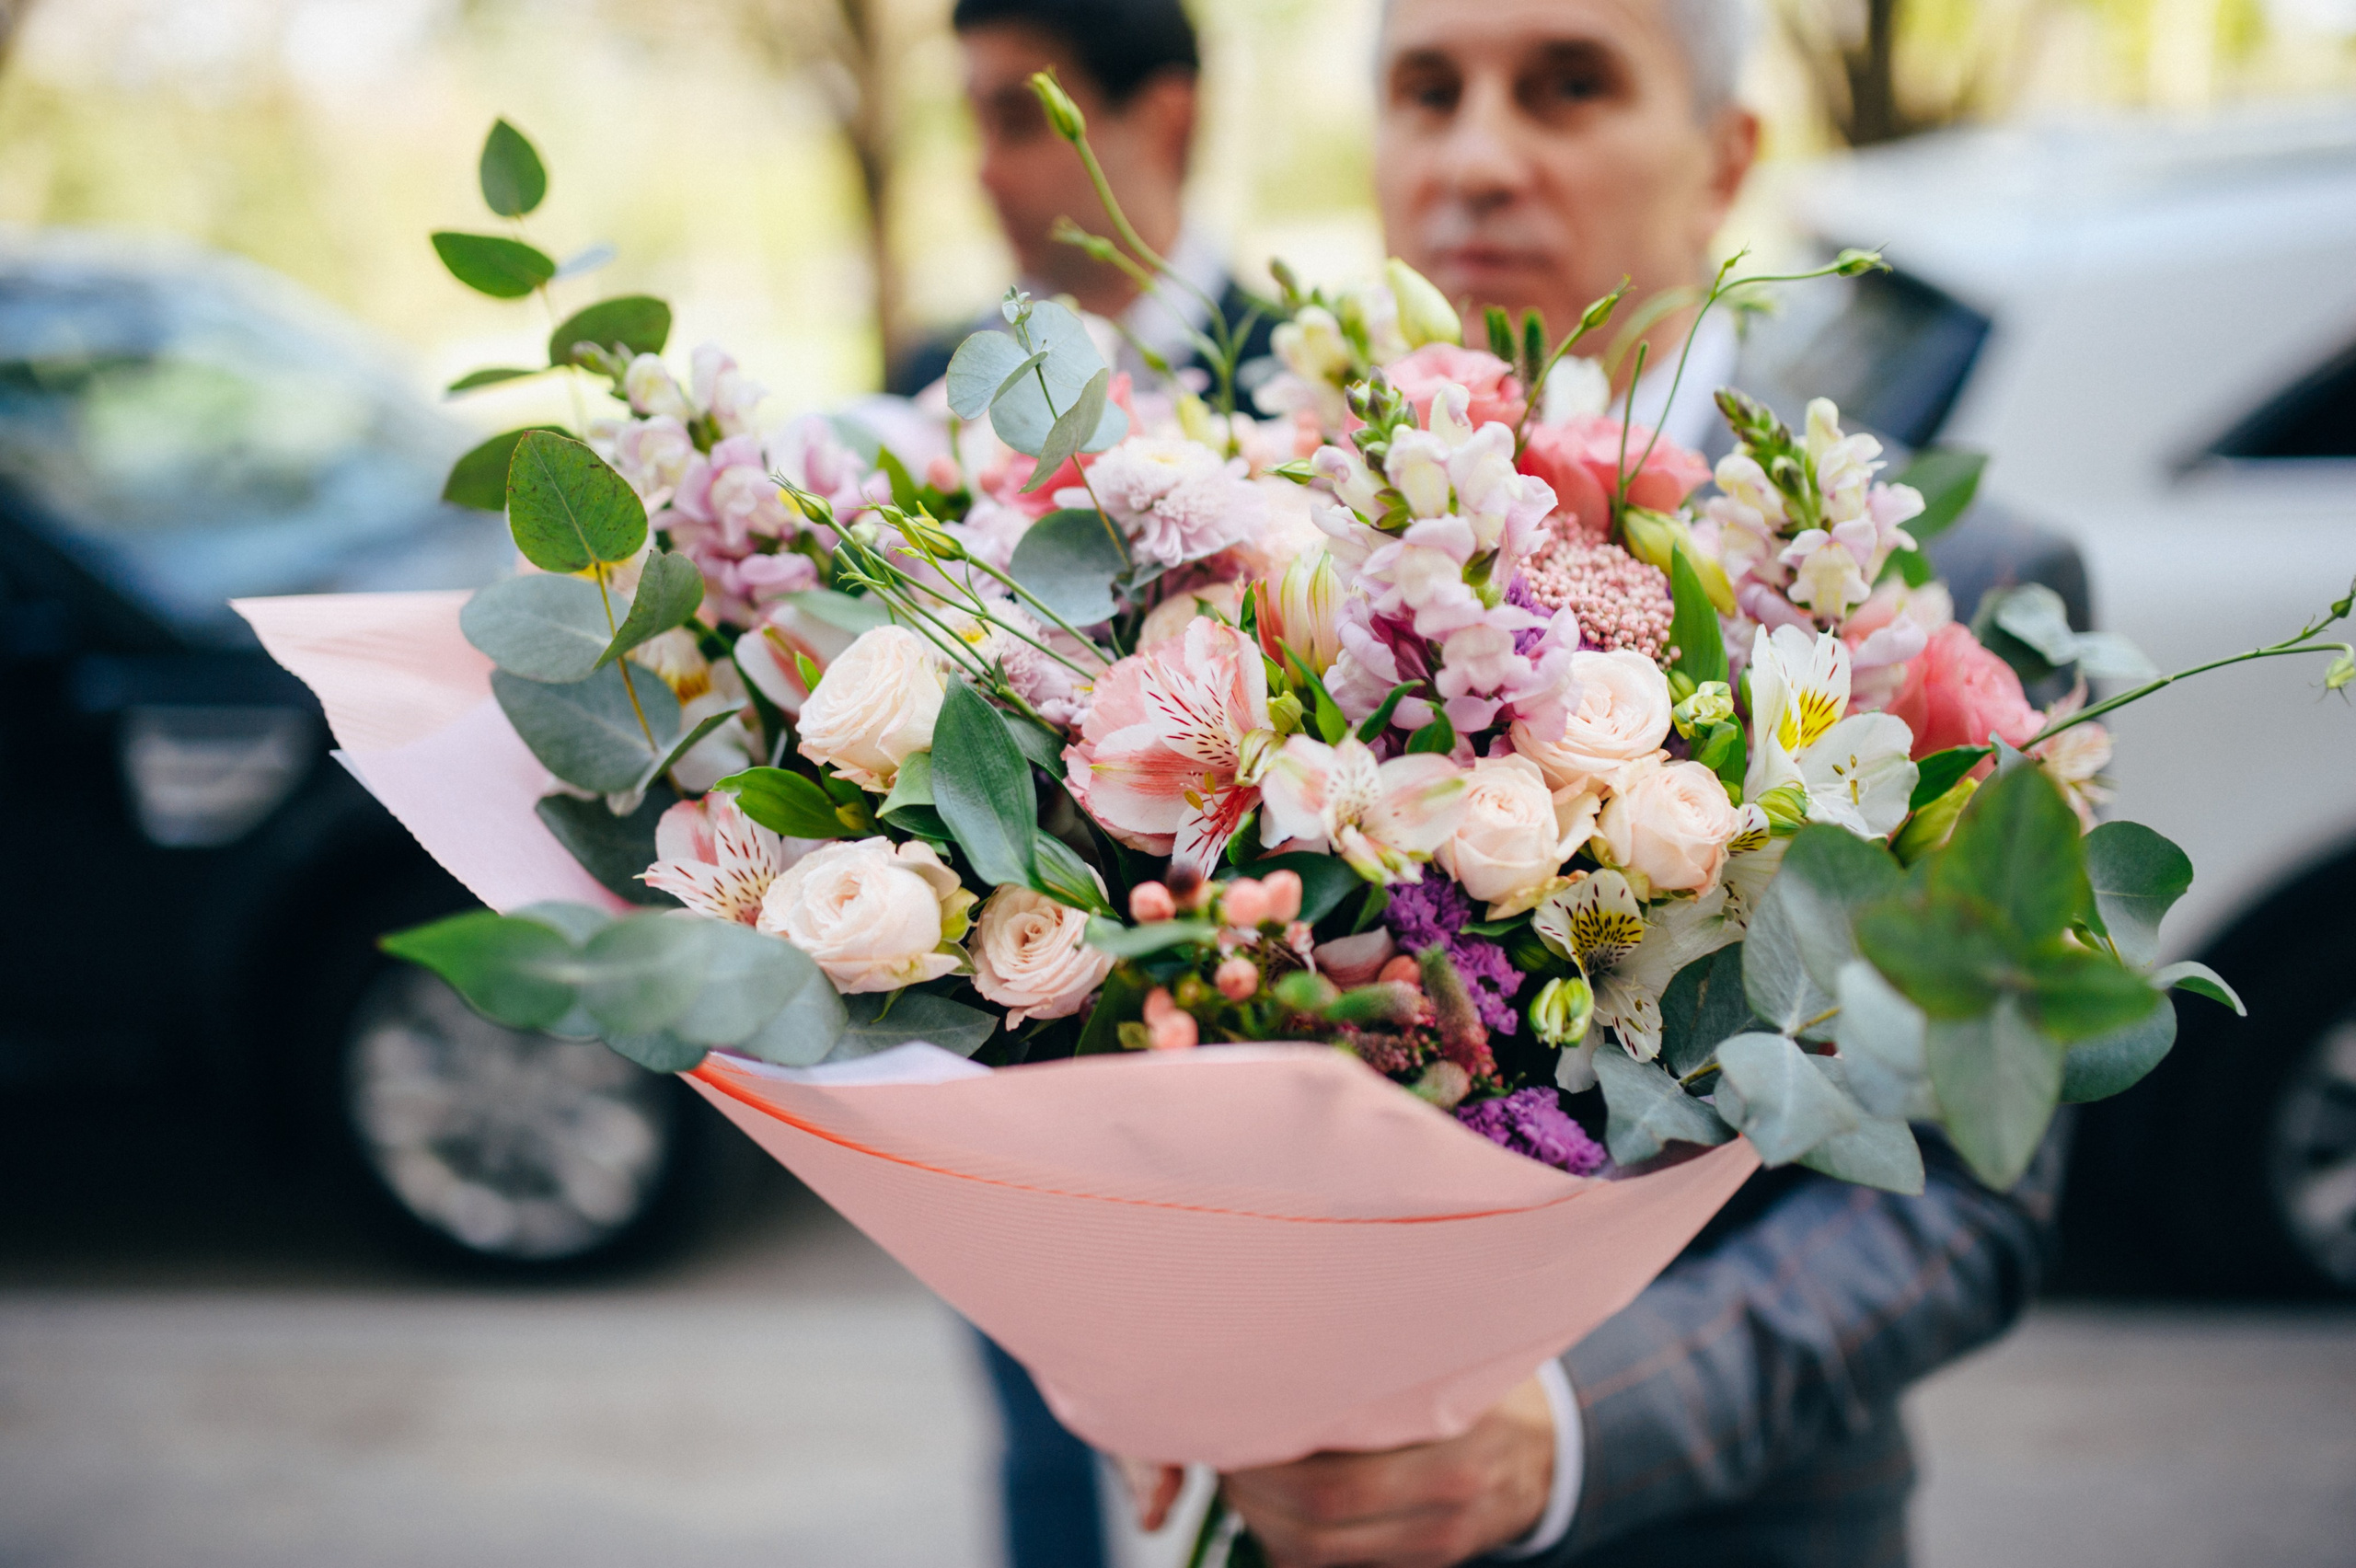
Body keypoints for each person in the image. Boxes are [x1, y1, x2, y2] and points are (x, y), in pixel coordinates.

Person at [990, 1, 2084, 1564]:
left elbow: (1960, 1204)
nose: (1478, 159)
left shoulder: (1947, 591)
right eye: (1429, 92)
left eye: (1568, 86)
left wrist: (1561, 1437)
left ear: (1726, 158)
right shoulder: (1233, 535)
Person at [884, 0, 1275, 399]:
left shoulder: (1307, 378)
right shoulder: (935, 384)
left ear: (1166, 123)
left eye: (1021, 121)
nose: (985, 172)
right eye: (976, 124)